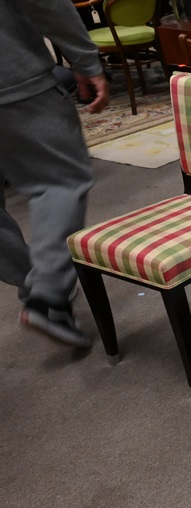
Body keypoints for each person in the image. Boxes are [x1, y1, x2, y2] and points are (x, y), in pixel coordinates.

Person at [0, 0, 110, 348]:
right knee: (61, 180)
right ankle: (46, 296)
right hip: (12, 80)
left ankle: (37, 285)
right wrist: (86, 60)